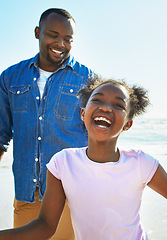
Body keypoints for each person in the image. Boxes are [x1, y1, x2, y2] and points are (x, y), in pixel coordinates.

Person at [0, 76, 167, 240]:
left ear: (127, 124)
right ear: (82, 113)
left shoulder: (140, 163)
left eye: (118, 105)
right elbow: (45, 226)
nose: (105, 107)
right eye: (97, 100)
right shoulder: (62, 163)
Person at [0, 8, 93, 239]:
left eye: (68, 39)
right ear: (37, 32)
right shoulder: (10, 77)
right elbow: (1, 136)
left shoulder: (87, 79)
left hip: (71, 196)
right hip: (26, 195)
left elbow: (98, 137)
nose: (60, 43)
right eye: (53, 35)